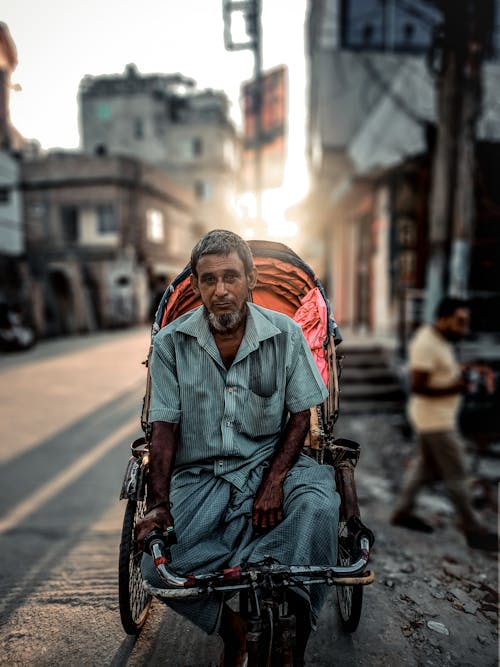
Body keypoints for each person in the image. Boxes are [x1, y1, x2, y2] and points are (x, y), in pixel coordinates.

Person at [135, 229, 340, 666]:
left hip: (272, 462)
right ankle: (234, 631)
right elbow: (165, 426)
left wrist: (274, 482)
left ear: (250, 280)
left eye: (231, 277)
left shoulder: (284, 334)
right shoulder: (170, 344)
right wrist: (158, 503)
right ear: (196, 287)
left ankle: (296, 640)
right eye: (208, 280)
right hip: (201, 474)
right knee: (157, 567)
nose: (221, 290)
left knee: (320, 508)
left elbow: (301, 415)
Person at [391, 296, 498, 551]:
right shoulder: (427, 343)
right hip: (435, 422)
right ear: (443, 318)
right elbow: (418, 386)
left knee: (422, 469)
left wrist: (467, 371)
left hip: (435, 419)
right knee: (458, 473)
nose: (464, 327)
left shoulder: (440, 341)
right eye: (460, 321)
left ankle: (402, 512)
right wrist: (458, 386)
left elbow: (441, 371)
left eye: (466, 322)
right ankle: (473, 528)